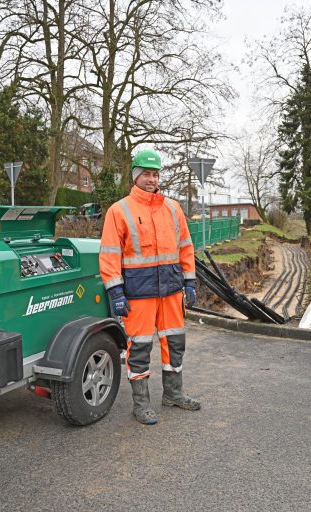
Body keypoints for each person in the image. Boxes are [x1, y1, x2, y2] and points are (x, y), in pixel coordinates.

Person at [99, 149, 201, 425]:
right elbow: (109, 255)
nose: (151, 179)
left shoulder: (173, 208)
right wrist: (115, 292)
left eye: (155, 174)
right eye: (146, 174)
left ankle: (173, 394)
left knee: (175, 343)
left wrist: (189, 281)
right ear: (135, 176)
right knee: (140, 347)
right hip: (139, 292)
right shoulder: (119, 210)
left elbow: (186, 247)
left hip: (171, 291)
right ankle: (141, 404)